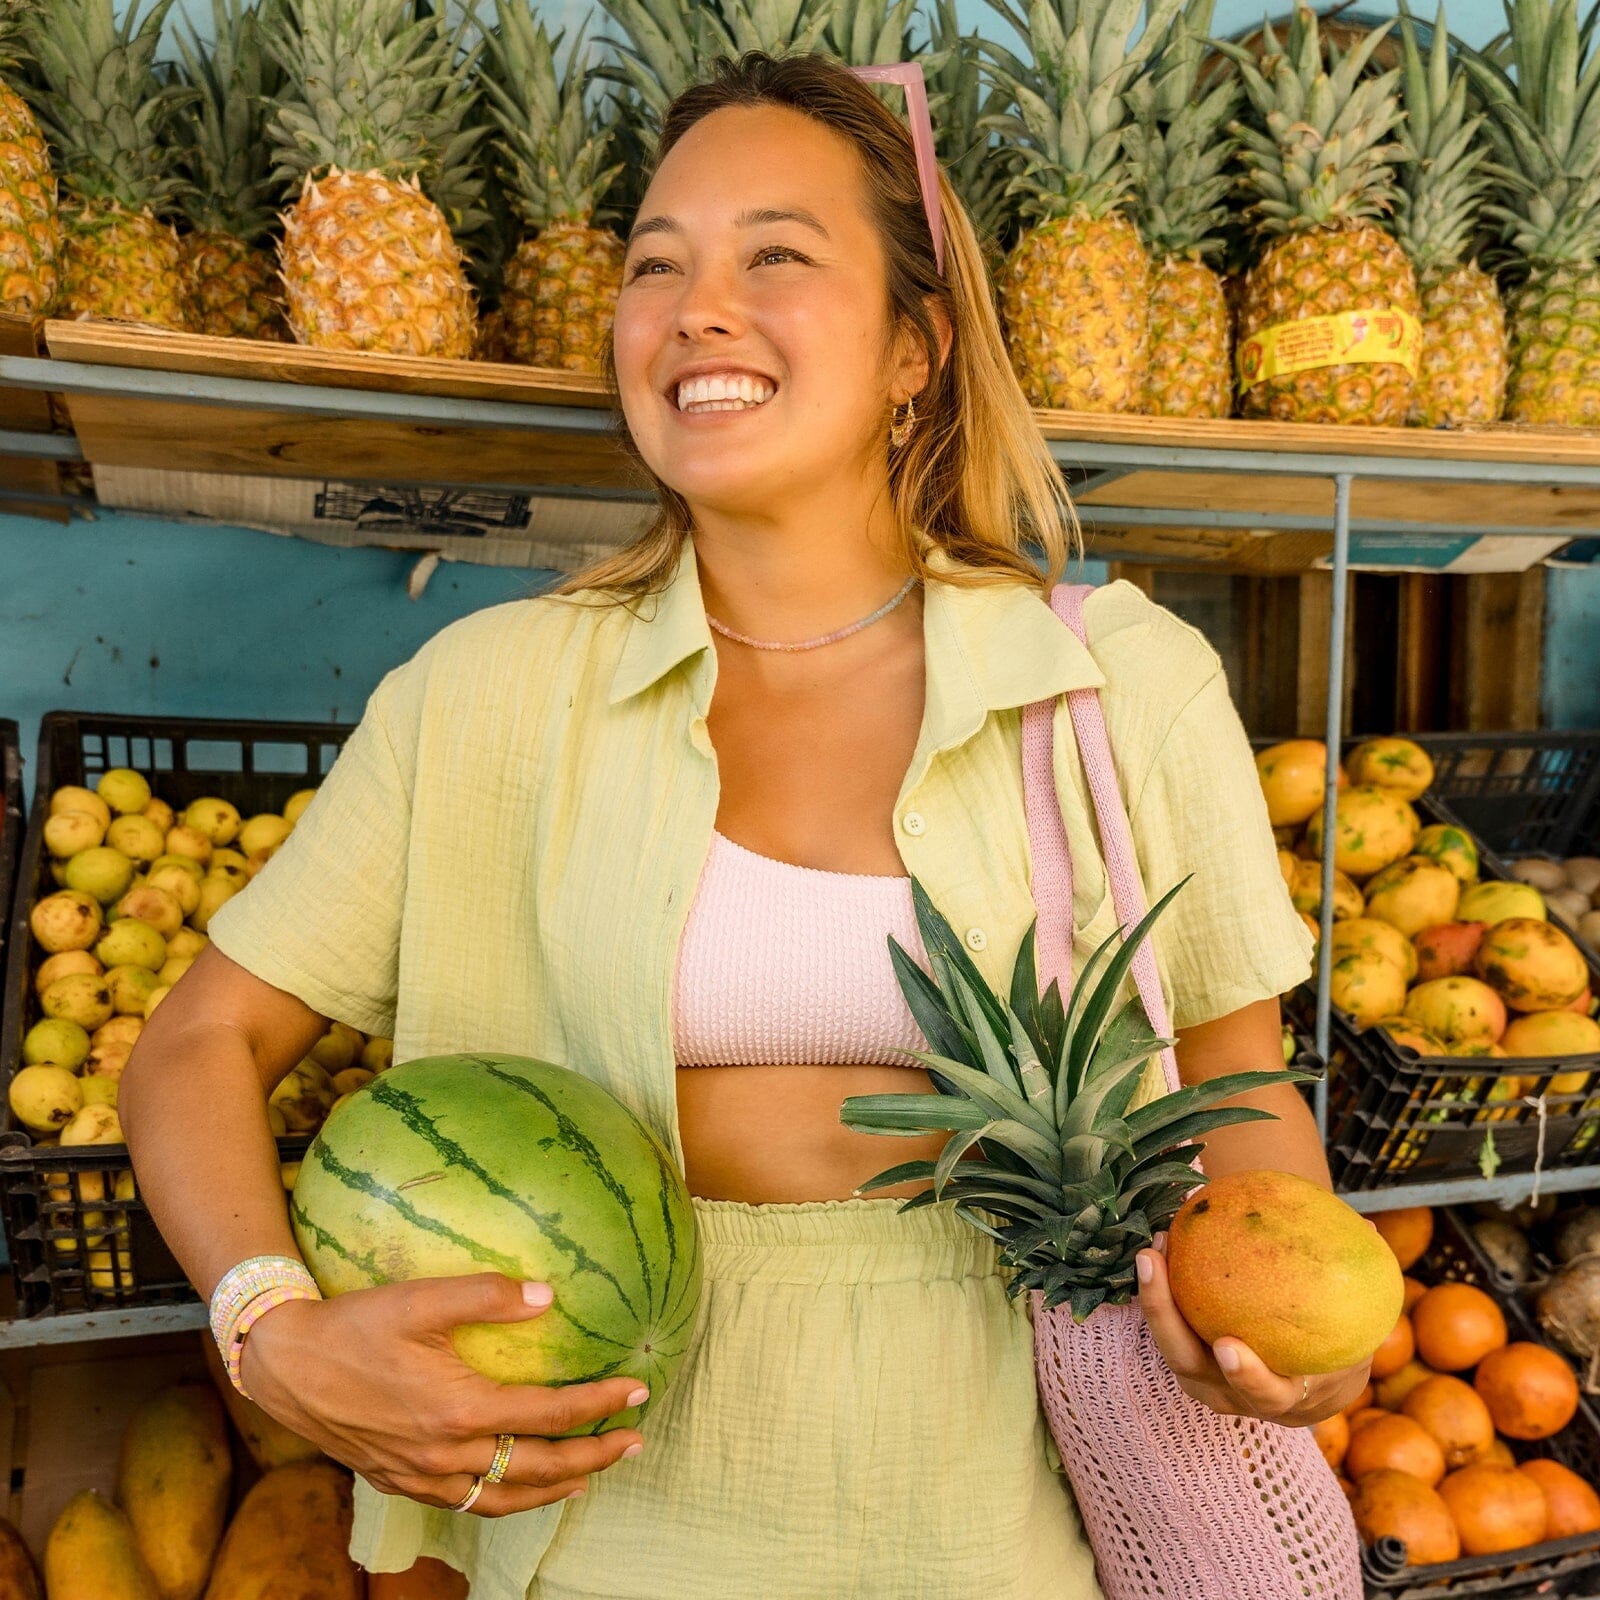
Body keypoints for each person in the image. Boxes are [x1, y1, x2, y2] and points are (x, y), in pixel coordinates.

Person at [121, 50, 1369, 1600]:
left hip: (1022, 1509)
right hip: (596, 1512)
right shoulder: (488, 696)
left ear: (918, 346)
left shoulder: (1116, 682)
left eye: (776, 254)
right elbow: (196, 1044)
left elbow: (1238, 1070)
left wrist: (1290, 1323)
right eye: (659, 266)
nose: (699, 306)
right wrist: (269, 1328)